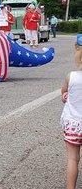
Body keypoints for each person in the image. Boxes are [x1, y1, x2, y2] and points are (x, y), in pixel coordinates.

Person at [60, 34, 82, 189]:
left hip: (74, 124)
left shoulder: (71, 76)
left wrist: (66, 95)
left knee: (73, 159)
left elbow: (64, 95)